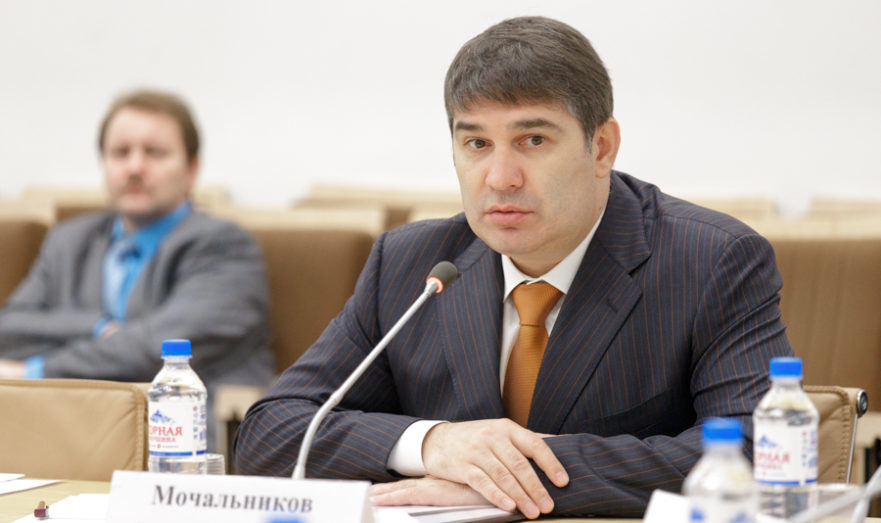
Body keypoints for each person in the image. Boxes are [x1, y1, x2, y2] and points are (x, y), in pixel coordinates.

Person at [233, 16, 792, 518]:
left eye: (533, 139)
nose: (500, 178)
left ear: (601, 147)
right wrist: (433, 444)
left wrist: (502, 481)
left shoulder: (712, 259)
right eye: (477, 143)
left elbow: (759, 449)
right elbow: (271, 432)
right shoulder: (410, 264)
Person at [0, 89, 275, 450]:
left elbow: (154, 351)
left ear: (192, 169)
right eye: (120, 153)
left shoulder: (225, 246)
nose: (134, 167)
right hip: (66, 437)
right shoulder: (68, 241)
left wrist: (34, 373)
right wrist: (97, 327)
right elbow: (10, 328)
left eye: (154, 153)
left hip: (183, 447)